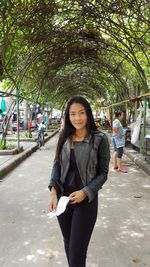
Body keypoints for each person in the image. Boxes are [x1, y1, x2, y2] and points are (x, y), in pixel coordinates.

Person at [48, 96, 110, 267]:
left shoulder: (99, 139)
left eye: (81, 113)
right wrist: (53, 192)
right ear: (68, 116)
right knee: (68, 243)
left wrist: (86, 191)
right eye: (73, 114)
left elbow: (103, 173)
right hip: (63, 201)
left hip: (86, 202)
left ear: (88, 114)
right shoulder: (64, 137)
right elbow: (57, 164)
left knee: (76, 254)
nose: (77, 118)